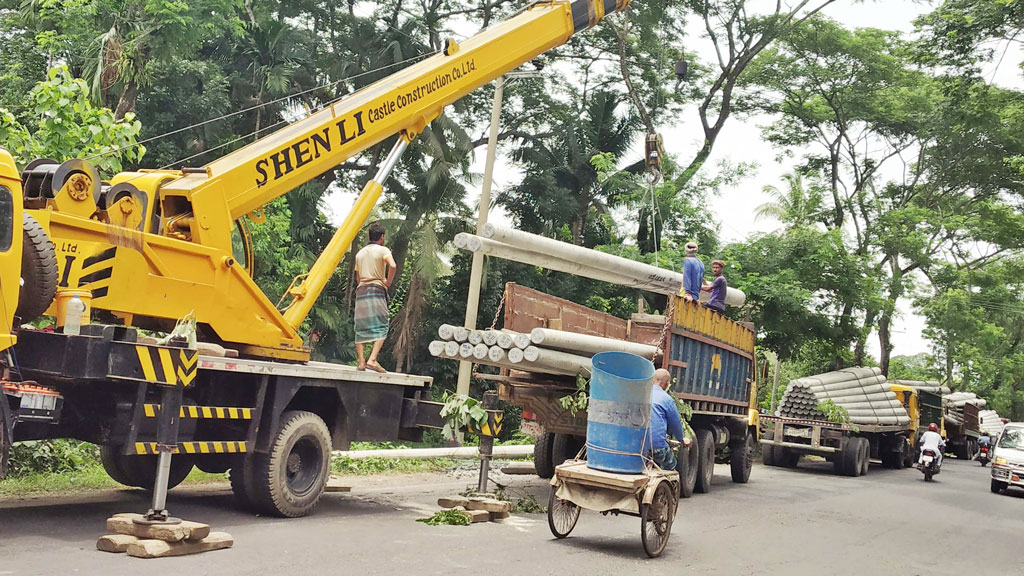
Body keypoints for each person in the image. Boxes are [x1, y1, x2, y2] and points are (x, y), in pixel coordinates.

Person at [353, 222, 396, 373]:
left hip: (361, 290)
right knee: (382, 324)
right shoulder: (383, 250)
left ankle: (361, 362)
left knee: (361, 325)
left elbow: (358, 278)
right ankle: (372, 359)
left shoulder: (360, 253)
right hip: (376, 289)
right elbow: (393, 265)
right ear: (382, 237)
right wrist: (387, 282)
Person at [649, 368, 685, 470]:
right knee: (671, 463)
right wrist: (681, 439)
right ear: (666, 384)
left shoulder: (641, 394)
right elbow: (675, 424)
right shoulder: (667, 399)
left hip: (637, 445)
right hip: (657, 447)